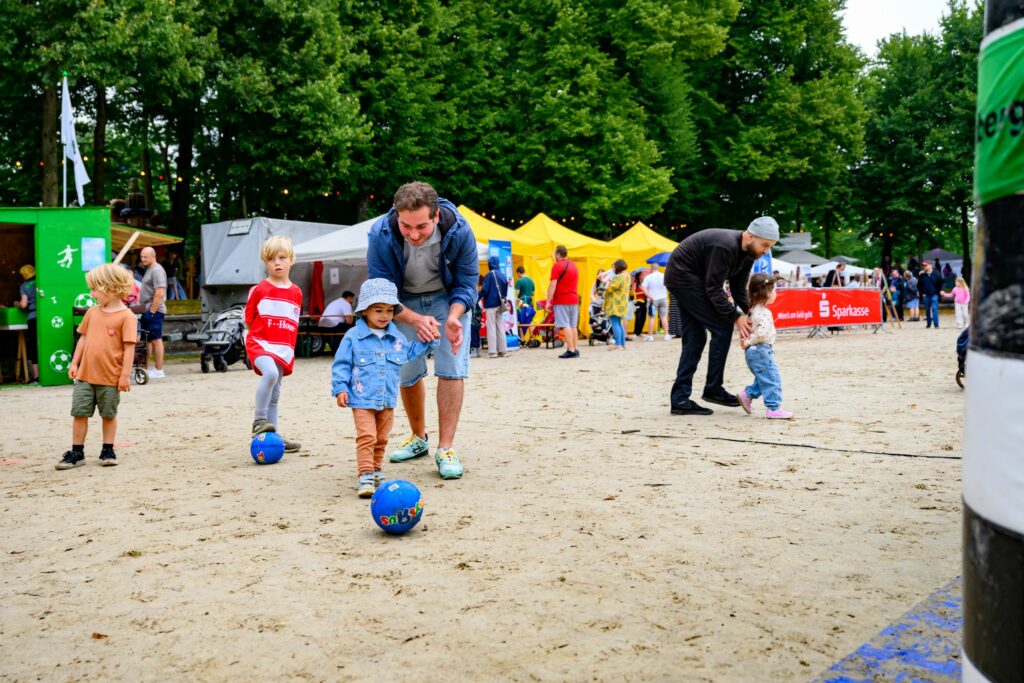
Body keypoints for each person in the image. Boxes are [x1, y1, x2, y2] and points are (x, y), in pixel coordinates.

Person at [366, 181, 478, 480]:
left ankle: (445, 448)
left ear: (436, 216)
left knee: (452, 366)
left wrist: (454, 317)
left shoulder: (461, 230)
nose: (414, 234)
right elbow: (380, 291)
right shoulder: (380, 233)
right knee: (406, 369)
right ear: (397, 217)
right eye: (406, 227)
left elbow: (467, 284)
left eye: (422, 227)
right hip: (403, 302)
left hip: (447, 299)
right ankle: (418, 439)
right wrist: (414, 319)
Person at [331, 279, 438, 497]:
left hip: (387, 399)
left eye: (389, 311)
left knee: (381, 439)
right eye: (378, 310)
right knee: (367, 436)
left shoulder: (396, 336)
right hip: (361, 398)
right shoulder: (353, 337)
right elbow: (341, 364)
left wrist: (429, 342)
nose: (384, 316)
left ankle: (377, 469)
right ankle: (365, 474)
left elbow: (408, 353)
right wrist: (340, 387)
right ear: (365, 311)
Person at [664, 217, 778, 416]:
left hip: (691, 280)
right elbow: (713, 288)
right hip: (683, 277)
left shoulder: (749, 254)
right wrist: (735, 316)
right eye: (764, 245)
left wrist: (751, 313)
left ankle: (680, 399)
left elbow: (738, 289)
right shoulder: (725, 246)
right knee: (722, 327)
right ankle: (713, 389)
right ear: (750, 236)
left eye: (769, 247)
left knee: (696, 338)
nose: (766, 251)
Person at [55, 264, 137, 470]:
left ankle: (107, 449)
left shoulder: (127, 317)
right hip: (84, 376)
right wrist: (75, 362)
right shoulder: (92, 312)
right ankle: (77, 451)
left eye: (94, 289)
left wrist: (125, 376)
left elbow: (129, 349)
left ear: (110, 288)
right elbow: (83, 339)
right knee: (79, 413)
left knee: (108, 414)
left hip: (110, 377)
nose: (91, 294)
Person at [245, 236, 302, 452]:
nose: (277, 263)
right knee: (270, 374)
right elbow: (249, 319)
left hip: (283, 348)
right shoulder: (260, 289)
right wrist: (260, 338)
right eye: (271, 259)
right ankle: (259, 421)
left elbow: (292, 323)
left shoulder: (296, 292)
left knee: (275, 395)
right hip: (260, 343)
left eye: (282, 257)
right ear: (265, 262)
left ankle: (274, 435)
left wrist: (287, 349)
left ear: (291, 260)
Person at [737, 274, 793, 419]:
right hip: (761, 350)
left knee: (764, 377)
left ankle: (747, 395)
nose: (776, 293)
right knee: (772, 379)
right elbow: (761, 333)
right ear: (766, 293)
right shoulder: (764, 312)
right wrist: (749, 342)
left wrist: (748, 342)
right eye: (774, 290)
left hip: (755, 352)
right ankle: (773, 408)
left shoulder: (752, 310)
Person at [544, 245, 580, 358]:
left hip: (562, 299)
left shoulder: (557, 266)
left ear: (558, 254)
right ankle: (575, 348)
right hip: (574, 298)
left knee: (565, 324)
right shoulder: (574, 265)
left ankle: (571, 349)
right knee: (573, 325)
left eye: (554, 254)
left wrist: (548, 300)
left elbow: (552, 285)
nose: (553, 256)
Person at [138, 246, 168, 378]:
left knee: (156, 338)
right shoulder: (149, 270)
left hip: (154, 310)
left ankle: (158, 369)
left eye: (145, 257)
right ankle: (146, 368)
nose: (142, 259)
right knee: (147, 340)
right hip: (147, 309)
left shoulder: (157, 270)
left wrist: (152, 311)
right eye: (141, 257)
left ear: (153, 256)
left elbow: (160, 292)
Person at [13, 264, 39, 383]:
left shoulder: (24, 286)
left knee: (34, 346)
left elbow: (23, 304)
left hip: (33, 317)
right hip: (44, 317)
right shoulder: (40, 281)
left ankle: (36, 376)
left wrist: (16, 304)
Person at [480, 256, 508, 358]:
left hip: (490, 304)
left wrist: (478, 297)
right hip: (500, 304)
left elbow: (485, 290)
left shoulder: (489, 275)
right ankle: (503, 350)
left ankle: (492, 351)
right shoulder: (502, 275)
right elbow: (505, 290)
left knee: (491, 327)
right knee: (500, 327)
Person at [602, 259, 630, 350]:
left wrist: (606, 281)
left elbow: (610, 289)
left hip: (614, 303)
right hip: (623, 303)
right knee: (619, 323)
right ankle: (622, 344)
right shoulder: (627, 276)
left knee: (614, 323)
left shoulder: (618, 277)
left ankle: (618, 344)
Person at [641, 264, 670, 341]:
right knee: (664, 317)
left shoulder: (648, 277)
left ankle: (650, 336)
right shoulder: (664, 275)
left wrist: (650, 296)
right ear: (658, 268)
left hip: (653, 299)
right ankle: (666, 335)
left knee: (652, 318)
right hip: (663, 298)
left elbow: (643, 288)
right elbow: (668, 286)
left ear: (651, 269)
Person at [917, 261, 943, 328]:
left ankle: (936, 324)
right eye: (924, 266)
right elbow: (919, 285)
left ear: (930, 265)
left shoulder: (936, 273)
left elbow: (942, 282)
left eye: (926, 265)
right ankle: (928, 324)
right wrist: (921, 293)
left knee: (934, 309)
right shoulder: (922, 275)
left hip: (934, 294)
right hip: (926, 295)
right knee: (927, 310)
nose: (924, 267)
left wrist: (941, 290)